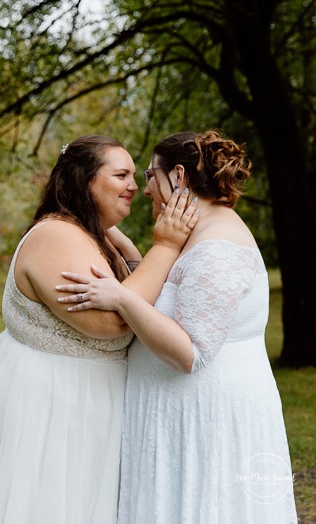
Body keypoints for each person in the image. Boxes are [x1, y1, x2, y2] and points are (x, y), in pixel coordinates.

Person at [58, 131, 298, 523]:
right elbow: (171, 296)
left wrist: (120, 298)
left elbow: (191, 352)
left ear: (179, 176)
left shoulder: (217, 246)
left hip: (205, 428)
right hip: (179, 422)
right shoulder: (198, 232)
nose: (145, 188)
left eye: (151, 174)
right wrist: (133, 254)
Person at [0, 135, 199, 523]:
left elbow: (127, 296)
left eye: (135, 175)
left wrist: (129, 253)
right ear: (83, 180)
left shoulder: (89, 234)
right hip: (51, 403)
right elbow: (110, 321)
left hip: (86, 399)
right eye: (121, 174)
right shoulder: (56, 236)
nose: (134, 187)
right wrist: (166, 246)